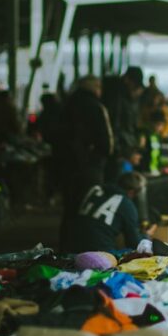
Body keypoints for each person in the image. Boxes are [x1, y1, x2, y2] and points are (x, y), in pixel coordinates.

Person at [58, 74, 114, 250]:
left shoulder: (67, 104)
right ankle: (83, 246)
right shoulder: (95, 106)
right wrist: (104, 155)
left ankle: (66, 245)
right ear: (94, 87)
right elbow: (105, 140)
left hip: (68, 163)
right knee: (89, 206)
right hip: (91, 164)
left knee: (71, 207)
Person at [63, 171, 149, 253]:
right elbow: (134, 243)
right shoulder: (127, 204)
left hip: (70, 246)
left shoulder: (94, 189)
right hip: (99, 252)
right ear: (132, 192)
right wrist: (145, 236)